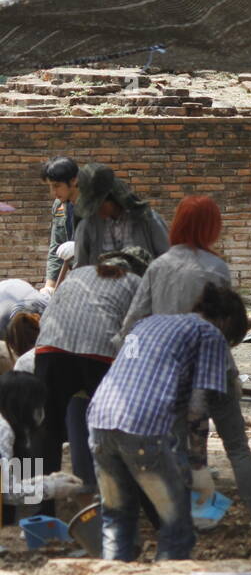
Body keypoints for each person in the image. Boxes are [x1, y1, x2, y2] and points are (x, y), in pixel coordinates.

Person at [120, 195, 251, 526]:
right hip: (216, 369)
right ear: (210, 227)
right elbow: (227, 324)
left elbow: (132, 323)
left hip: (171, 376)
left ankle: (180, 520)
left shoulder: (158, 267)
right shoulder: (216, 268)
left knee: (175, 449)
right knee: (238, 447)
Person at [87, 283, 247, 561]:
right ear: (226, 322)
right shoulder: (209, 334)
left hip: (100, 420)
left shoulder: (149, 323)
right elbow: (198, 407)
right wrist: (198, 466)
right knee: (176, 524)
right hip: (141, 427)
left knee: (117, 517)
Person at [34, 248, 151, 501]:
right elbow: (136, 331)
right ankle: (123, 497)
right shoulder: (136, 282)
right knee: (114, 428)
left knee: (46, 431)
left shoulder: (77, 273)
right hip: (99, 354)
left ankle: (38, 508)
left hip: (49, 349)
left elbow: (50, 313)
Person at [0, 372, 83, 524]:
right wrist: (52, 488)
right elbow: (7, 492)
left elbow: (11, 485)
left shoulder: (14, 432)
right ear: (23, 404)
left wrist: (47, 479)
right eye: (36, 405)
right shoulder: (3, 430)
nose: (40, 411)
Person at [72, 163, 169, 270]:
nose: (94, 211)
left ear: (111, 199)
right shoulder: (87, 226)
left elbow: (167, 261)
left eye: (97, 205)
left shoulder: (148, 220)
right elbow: (80, 270)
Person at [40, 156, 79, 294]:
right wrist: (49, 287)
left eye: (57, 186)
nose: (53, 192)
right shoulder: (59, 205)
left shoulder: (96, 205)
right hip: (78, 276)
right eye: (50, 186)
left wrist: (80, 248)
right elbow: (56, 247)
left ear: (73, 180)